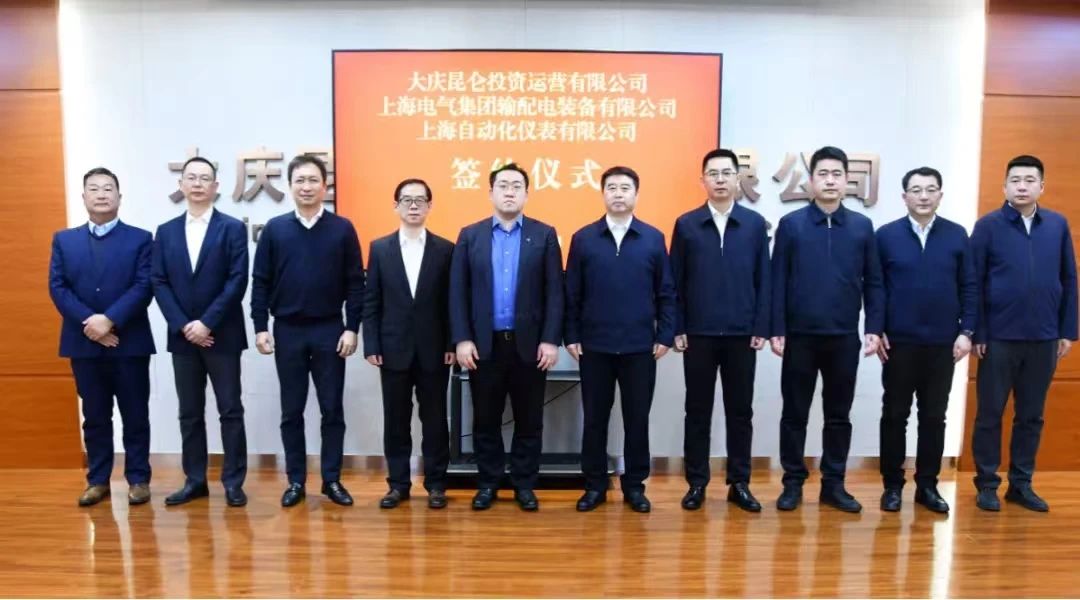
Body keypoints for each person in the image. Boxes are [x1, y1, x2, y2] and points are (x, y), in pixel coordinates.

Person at [770, 146, 884, 513]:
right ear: (811, 181)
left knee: (838, 415)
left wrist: (874, 326)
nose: (830, 180)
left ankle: (833, 484)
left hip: (843, 338)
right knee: (794, 414)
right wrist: (777, 328)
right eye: (823, 174)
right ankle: (792, 484)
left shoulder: (862, 227)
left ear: (847, 180)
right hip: (800, 337)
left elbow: (874, 281)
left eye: (837, 174)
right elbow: (777, 280)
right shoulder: (792, 225)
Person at [251, 155, 365, 508]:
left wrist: (352, 328)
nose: (306, 187)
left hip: (330, 329)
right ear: (290, 186)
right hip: (288, 330)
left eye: (313, 180)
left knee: (332, 409)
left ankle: (331, 480)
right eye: (300, 180)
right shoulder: (275, 229)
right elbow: (261, 281)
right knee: (291, 411)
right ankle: (296, 481)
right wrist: (260, 327)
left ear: (325, 186)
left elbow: (355, 283)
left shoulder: (342, 228)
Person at [449, 162, 564, 511]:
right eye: (503, 185)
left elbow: (555, 292)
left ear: (527, 194)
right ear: (491, 193)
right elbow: (458, 292)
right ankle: (488, 483)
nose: (510, 191)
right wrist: (462, 338)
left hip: (531, 346)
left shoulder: (544, 235)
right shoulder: (470, 235)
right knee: (485, 419)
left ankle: (524, 485)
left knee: (529, 420)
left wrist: (550, 339)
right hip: (484, 345)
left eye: (517, 186)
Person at [565, 165, 676, 514]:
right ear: (603, 193)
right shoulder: (584, 238)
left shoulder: (653, 238)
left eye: (625, 187)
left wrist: (665, 335)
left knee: (636, 420)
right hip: (594, 347)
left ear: (636, 194)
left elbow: (666, 292)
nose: (618, 193)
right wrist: (571, 335)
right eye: (611, 187)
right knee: (594, 420)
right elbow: (572, 293)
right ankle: (595, 485)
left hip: (640, 347)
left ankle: (635, 486)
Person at [970, 154, 1077, 513]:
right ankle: (987, 484)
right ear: (1004, 186)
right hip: (998, 338)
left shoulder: (1057, 225)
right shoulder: (987, 226)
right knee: (990, 414)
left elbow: (1068, 278)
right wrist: (977, 331)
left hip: (1044, 337)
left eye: (1029, 180)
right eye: (1015, 180)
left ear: (1041, 187)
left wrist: (1067, 330)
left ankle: (1021, 484)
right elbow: (973, 282)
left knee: (1031, 415)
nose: (1022, 186)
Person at [670, 149, 770, 512]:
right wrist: (677, 326)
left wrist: (761, 325)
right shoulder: (687, 224)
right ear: (703, 181)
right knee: (697, 411)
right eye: (713, 173)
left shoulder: (754, 225)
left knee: (740, 412)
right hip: (698, 333)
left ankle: (739, 483)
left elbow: (764, 279)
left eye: (727, 172)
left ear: (737, 178)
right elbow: (674, 281)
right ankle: (697, 483)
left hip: (742, 334)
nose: (720, 179)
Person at [49, 167, 156, 507]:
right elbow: (58, 287)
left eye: (108, 188)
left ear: (119, 197)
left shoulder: (141, 239)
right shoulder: (64, 240)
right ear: (83, 197)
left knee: (135, 415)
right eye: (93, 189)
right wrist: (91, 324)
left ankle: (138, 478)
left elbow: (144, 286)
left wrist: (109, 320)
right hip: (83, 344)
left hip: (129, 343)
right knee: (95, 417)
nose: (101, 194)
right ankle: (97, 480)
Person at [875, 166, 976, 514]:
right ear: (904, 196)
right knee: (894, 415)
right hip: (898, 343)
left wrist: (967, 331)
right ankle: (892, 486)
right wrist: (877, 328)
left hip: (942, 343)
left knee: (934, 417)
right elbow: (876, 288)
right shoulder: (886, 235)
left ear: (940, 195)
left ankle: (928, 486)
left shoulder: (956, 235)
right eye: (916, 190)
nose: (923, 196)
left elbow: (969, 286)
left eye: (930, 189)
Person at [152, 156, 250, 507]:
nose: (197, 184)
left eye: (204, 178)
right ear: (181, 185)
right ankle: (195, 480)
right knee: (189, 413)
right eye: (191, 177)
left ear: (215, 186)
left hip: (222, 334)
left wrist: (207, 322)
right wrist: (184, 325)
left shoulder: (232, 228)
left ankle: (233, 482)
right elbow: (159, 281)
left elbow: (237, 280)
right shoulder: (165, 231)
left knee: (230, 410)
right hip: (183, 338)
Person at [362, 178, 455, 509]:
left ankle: (436, 484)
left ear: (430, 206)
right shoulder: (380, 248)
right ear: (396, 206)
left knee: (435, 420)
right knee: (396, 420)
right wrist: (371, 344)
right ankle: (398, 485)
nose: (413, 205)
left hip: (435, 350)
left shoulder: (445, 249)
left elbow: (451, 302)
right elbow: (371, 301)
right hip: (392, 348)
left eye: (420, 200)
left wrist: (452, 343)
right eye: (406, 199)